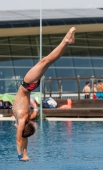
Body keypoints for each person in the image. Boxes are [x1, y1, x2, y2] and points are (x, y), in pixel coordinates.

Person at [12, 27, 76, 161]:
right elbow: (19, 140)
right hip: (27, 84)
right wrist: (20, 155)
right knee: (46, 61)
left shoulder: (23, 120)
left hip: (30, 86)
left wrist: (25, 154)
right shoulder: (22, 119)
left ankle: (67, 42)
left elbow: (23, 138)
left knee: (48, 61)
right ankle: (65, 40)